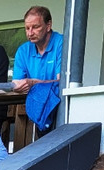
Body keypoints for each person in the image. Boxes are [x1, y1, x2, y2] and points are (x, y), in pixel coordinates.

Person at [12, 6, 64, 136]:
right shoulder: (23, 50)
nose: (30, 33)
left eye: (35, 27)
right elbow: (17, 83)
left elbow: (62, 81)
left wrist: (34, 83)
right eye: (27, 28)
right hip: (38, 109)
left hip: (62, 107)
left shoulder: (62, 43)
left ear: (48, 25)